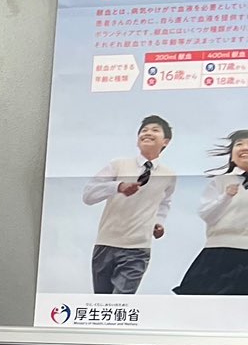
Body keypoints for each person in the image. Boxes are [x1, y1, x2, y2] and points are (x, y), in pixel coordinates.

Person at [82, 114, 176, 294]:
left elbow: (165, 202)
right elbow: (88, 195)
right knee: (103, 303)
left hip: (138, 248)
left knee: (121, 299)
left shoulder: (169, 175)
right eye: (144, 130)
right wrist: (118, 186)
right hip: (106, 243)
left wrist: (159, 222)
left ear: (165, 142)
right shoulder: (118, 164)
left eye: (155, 130)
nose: (148, 133)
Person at [174, 127, 248, 294]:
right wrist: (226, 197)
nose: (244, 147)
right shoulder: (221, 181)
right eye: (239, 144)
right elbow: (206, 214)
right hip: (220, 251)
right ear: (231, 155)